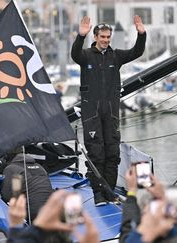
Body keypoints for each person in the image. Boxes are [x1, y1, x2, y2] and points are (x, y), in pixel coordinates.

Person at [71, 16, 146, 206]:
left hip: (111, 112)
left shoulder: (116, 56)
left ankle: (109, 192)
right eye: (102, 37)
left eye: (108, 37)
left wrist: (141, 33)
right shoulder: (86, 55)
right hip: (92, 113)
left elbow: (137, 51)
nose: (105, 40)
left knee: (112, 154)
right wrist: (80, 36)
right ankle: (98, 194)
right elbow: (74, 54)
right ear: (95, 37)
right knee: (97, 154)